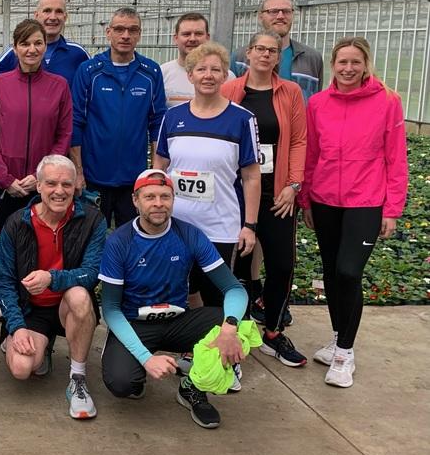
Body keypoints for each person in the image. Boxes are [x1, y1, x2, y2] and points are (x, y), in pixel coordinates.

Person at [100, 169, 248, 429]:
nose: (158, 203)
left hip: (179, 320)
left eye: (165, 196)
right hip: (137, 323)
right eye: (150, 197)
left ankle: (192, 387)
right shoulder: (119, 242)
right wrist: (146, 358)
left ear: (173, 199)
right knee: (122, 383)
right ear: (136, 200)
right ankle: (128, 358)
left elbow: (235, 290)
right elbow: (110, 309)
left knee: (239, 323)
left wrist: (229, 327)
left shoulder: (189, 234)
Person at [299, 37, 407, 388]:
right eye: (342, 62)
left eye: (355, 63)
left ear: (366, 65)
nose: (348, 69)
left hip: (366, 201)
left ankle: (346, 353)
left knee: (348, 272)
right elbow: (312, 154)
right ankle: (337, 338)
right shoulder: (317, 103)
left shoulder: (387, 102)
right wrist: (307, 201)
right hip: (326, 199)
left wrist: (392, 209)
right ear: (333, 65)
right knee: (331, 272)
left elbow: (396, 157)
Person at [0, 155, 105, 420]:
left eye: (66, 184)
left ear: (75, 186)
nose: (59, 191)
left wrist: (51, 279)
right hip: (32, 308)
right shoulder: (16, 223)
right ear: (39, 186)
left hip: (69, 304)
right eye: (51, 183)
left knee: (79, 295)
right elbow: (4, 280)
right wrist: (17, 326)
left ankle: (77, 379)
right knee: (22, 369)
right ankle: (39, 345)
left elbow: (91, 275)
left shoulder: (92, 219)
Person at [221, 32, 307, 366]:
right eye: (260, 49)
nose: (266, 55)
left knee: (283, 263)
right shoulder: (231, 90)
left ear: (277, 57)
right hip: (238, 192)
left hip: (278, 194)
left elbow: (299, 139)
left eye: (272, 51)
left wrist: (294, 184)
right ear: (248, 52)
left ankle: (272, 328)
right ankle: (240, 332)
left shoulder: (290, 92)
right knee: (239, 264)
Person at [153, 42, 260, 307]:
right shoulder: (173, 117)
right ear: (190, 75)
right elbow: (160, 163)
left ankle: (214, 346)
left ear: (225, 76)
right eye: (201, 69)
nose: (208, 75)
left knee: (216, 295)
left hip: (220, 225)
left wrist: (249, 226)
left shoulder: (242, 119)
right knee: (180, 290)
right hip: (176, 224)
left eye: (216, 69)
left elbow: (251, 176)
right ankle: (186, 343)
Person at [71, 7, 167, 228]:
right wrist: (78, 171)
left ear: (139, 34)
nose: (126, 35)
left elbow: (157, 122)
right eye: (120, 29)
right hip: (94, 176)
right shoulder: (89, 71)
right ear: (108, 32)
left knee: (132, 236)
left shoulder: (150, 73)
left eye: (132, 30)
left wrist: (156, 170)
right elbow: (76, 121)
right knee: (91, 237)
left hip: (134, 177)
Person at [0, 19, 72, 229]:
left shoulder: (59, 86)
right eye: (24, 44)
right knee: (9, 243)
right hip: (8, 186)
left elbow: (64, 135)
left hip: (45, 186)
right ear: (15, 48)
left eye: (38, 43)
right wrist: (5, 179)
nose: (32, 49)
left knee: (43, 243)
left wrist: (40, 175)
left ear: (45, 46)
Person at [231, 0, 323, 103]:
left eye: (286, 11)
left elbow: (316, 101)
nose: (280, 16)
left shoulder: (312, 58)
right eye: (273, 11)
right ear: (261, 17)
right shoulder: (240, 59)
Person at [0, 0, 89, 84]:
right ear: (36, 15)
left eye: (59, 11)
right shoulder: (13, 53)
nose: (53, 17)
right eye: (47, 11)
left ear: (65, 17)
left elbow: (91, 87)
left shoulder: (78, 53)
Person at [160, 12, 234, 107]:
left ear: (207, 37)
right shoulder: (163, 73)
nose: (192, 39)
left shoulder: (227, 77)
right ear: (176, 38)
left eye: (198, 34)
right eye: (186, 34)